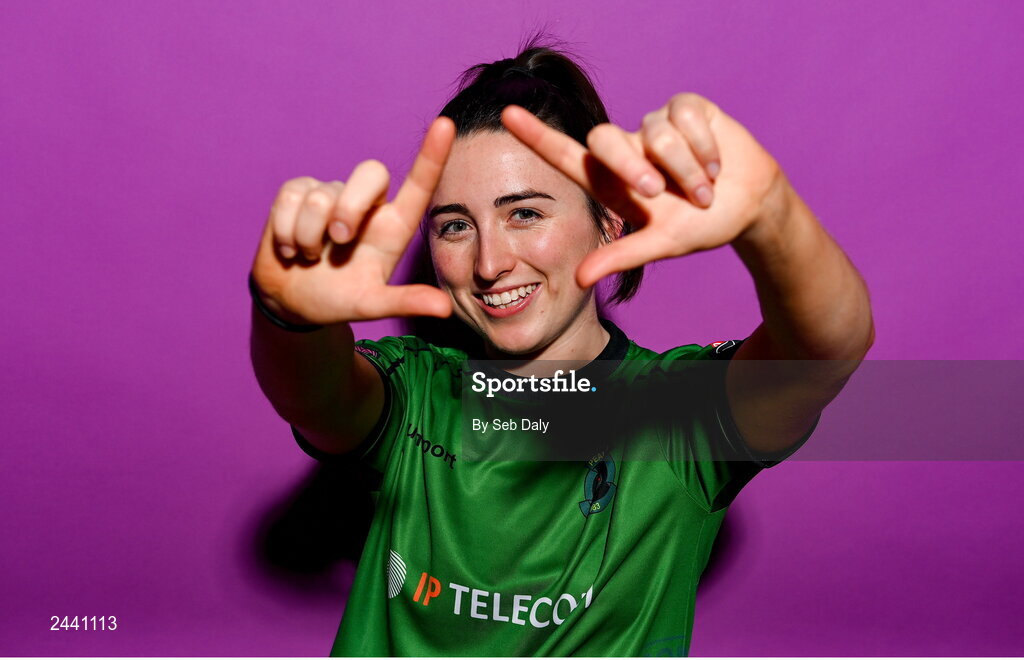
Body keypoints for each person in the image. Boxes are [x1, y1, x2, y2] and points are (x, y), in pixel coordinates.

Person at [249, 41, 873, 657]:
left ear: (608, 220)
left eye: (524, 213)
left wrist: (773, 216)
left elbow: (825, 351)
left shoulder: (674, 418)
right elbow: (315, 392)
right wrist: (289, 315)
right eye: (455, 225)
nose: (489, 263)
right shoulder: (416, 391)